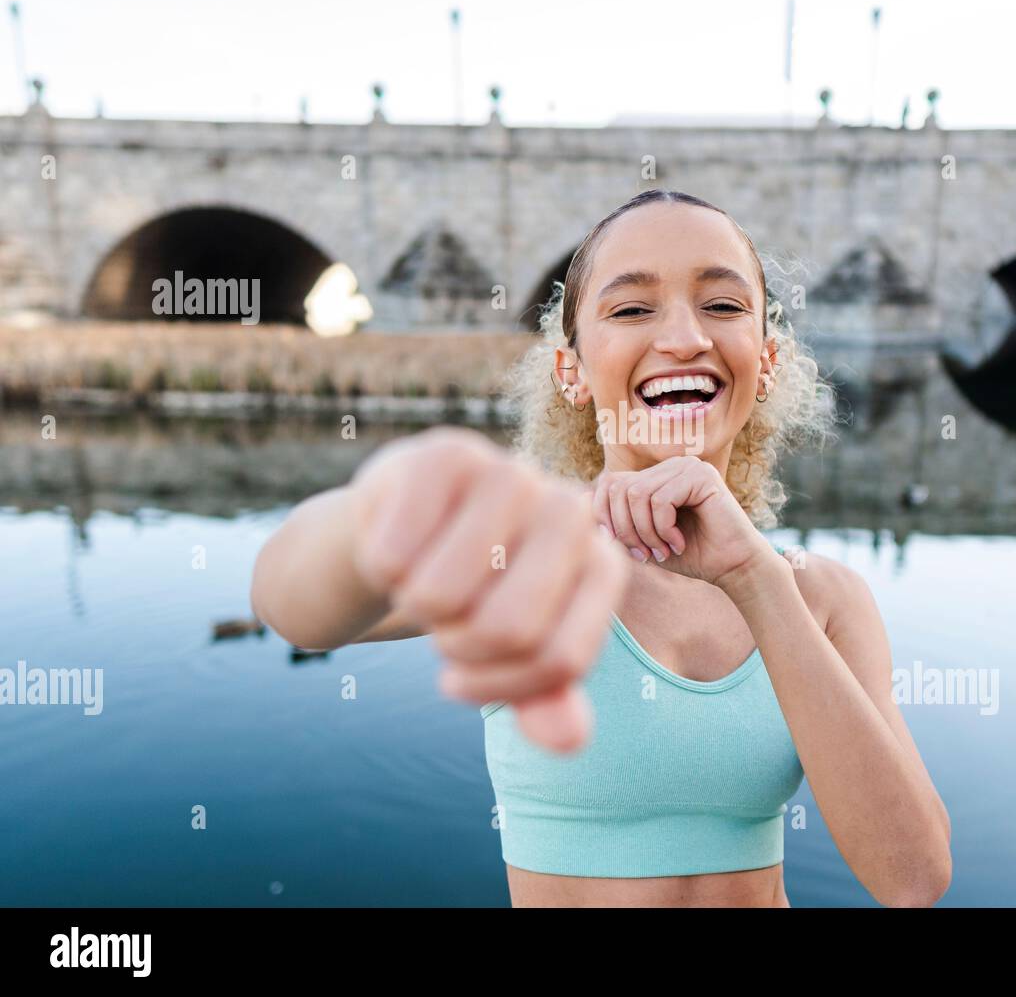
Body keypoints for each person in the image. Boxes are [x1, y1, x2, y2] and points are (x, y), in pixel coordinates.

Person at [251, 189, 951, 908]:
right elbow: (289, 605)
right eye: (631, 309)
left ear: (765, 361)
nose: (684, 337)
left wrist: (753, 577)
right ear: (572, 372)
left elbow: (912, 877)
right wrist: (381, 507)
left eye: (722, 305)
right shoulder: (525, 557)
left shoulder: (822, 598)